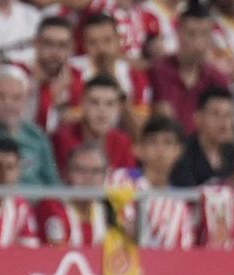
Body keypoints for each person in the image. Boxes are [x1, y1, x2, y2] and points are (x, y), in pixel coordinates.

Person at [108, 116, 195, 250]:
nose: (160, 149)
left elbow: (181, 253)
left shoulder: (179, 206)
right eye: (153, 142)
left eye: (168, 143)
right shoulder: (119, 179)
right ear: (138, 149)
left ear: (179, 151)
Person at [149, 6, 231, 134]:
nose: (197, 44)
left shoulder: (217, 78)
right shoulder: (160, 70)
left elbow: (224, 126)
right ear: (178, 33)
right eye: (191, 34)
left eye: (204, 35)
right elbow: (164, 119)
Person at [0, 65, 60, 186]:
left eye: (16, 97)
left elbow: (53, 185)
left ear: (25, 100)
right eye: (1, 96)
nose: (8, 104)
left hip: (34, 203)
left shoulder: (37, 137)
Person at [52, 75, 135, 174]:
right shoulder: (62, 138)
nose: (102, 110)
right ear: (82, 104)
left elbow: (130, 181)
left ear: (118, 108)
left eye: (110, 104)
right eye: (94, 102)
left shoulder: (123, 142)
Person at [36, 143, 111, 248]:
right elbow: (56, 255)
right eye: (81, 170)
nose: (89, 178)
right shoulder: (52, 207)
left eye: (96, 171)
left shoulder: (108, 211)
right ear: (66, 173)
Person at [0, 138, 39, 248]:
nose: (4, 175)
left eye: (10, 167)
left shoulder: (20, 206)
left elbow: (30, 250)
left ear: (18, 170)